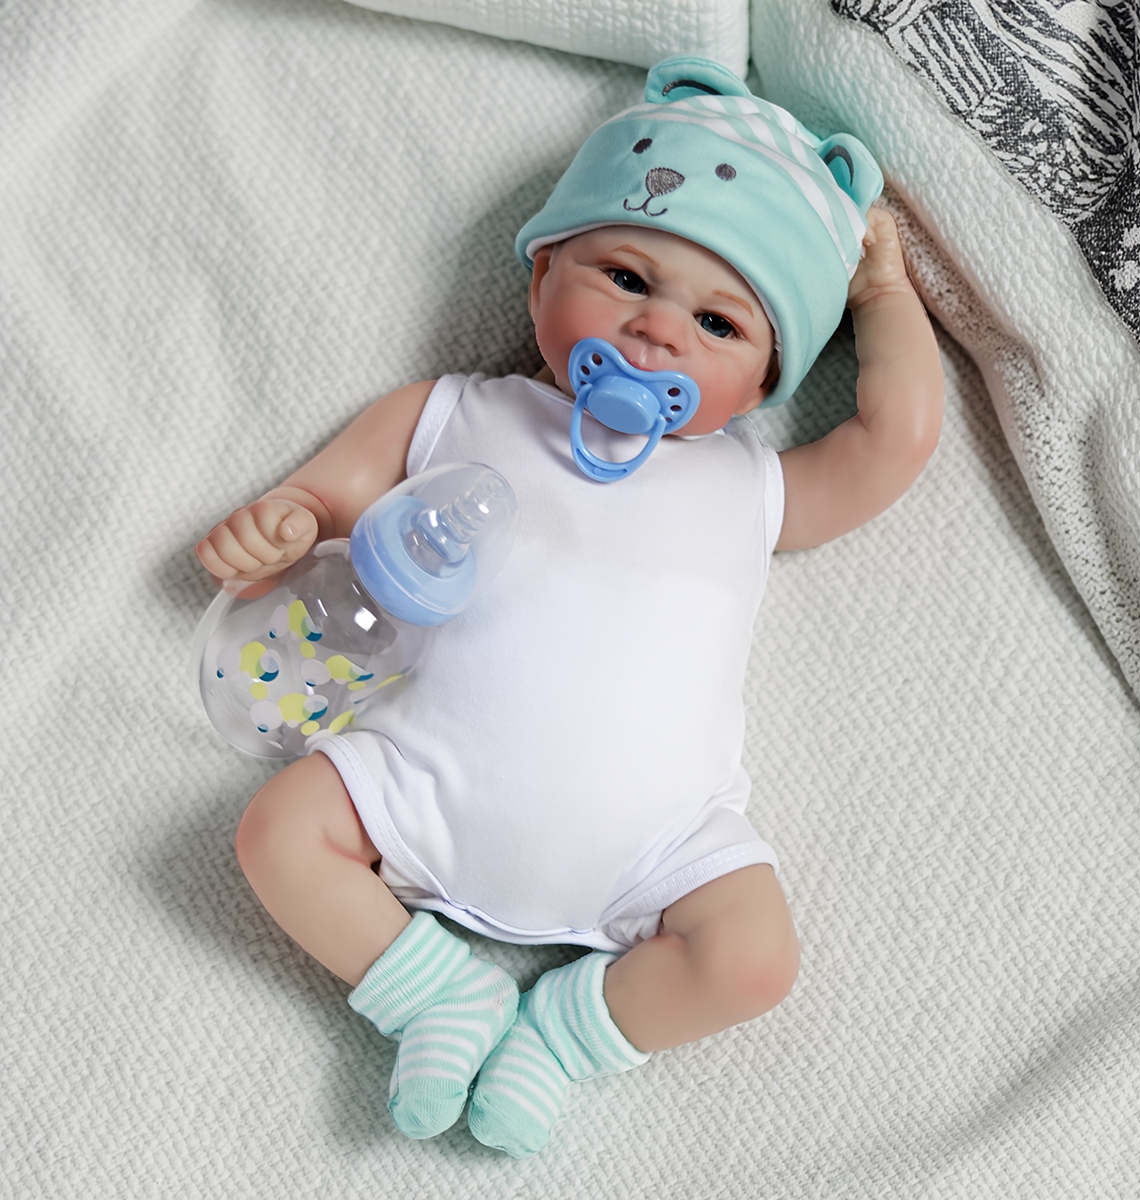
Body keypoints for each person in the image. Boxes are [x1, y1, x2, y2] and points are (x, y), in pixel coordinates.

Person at [195, 56, 943, 1157]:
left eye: (720, 325)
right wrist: (280, 527)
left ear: (765, 379)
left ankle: (562, 1037)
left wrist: (879, 295)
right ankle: (435, 994)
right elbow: (322, 508)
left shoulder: (748, 486)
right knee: (276, 832)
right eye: (628, 277)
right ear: (543, 270)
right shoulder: (453, 415)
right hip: (415, 782)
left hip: (654, 847)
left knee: (753, 960)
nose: (659, 332)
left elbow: (895, 438)